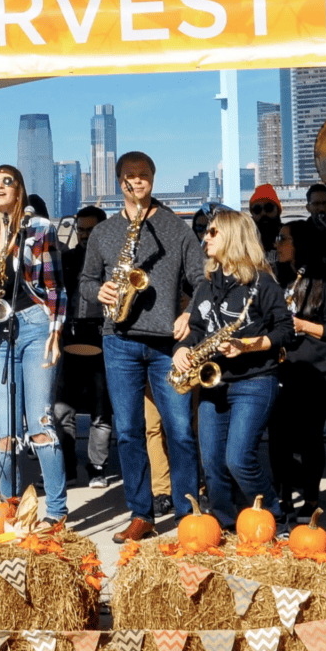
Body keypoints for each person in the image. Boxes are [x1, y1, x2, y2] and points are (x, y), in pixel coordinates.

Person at [80, 151, 205, 543]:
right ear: (120, 182)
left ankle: (188, 515)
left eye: (144, 175)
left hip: (168, 345)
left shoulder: (175, 228)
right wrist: (97, 290)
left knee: (181, 430)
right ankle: (141, 513)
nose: (137, 182)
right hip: (118, 341)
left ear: (153, 178)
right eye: (130, 177)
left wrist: (192, 317)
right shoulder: (103, 233)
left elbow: (203, 280)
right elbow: (84, 282)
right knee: (130, 431)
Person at [174, 210, 294, 529]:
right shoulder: (208, 283)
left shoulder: (261, 282)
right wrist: (182, 350)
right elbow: (197, 328)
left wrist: (247, 345)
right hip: (216, 384)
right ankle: (225, 525)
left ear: (232, 236)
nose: (206, 237)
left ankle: (271, 516)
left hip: (255, 381)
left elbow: (286, 330)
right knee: (212, 462)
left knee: (238, 459)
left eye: (213, 232)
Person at [0, 165, 67, 522]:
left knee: (41, 427)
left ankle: (56, 513)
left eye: (7, 181)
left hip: (37, 325)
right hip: (1, 332)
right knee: (6, 434)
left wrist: (56, 333)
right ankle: (10, 513)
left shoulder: (40, 229)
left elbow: (55, 287)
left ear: (20, 189)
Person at [269, 219, 326, 520]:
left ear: (300, 245)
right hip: (281, 368)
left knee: (308, 439)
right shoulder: (275, 279)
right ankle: (284, 498)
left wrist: (304, 325)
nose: (278, 243)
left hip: (317, 371)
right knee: (278, 438)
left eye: (284, 238)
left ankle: (312, 500)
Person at [56, 206, 115, 489]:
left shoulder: (112, 263)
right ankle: (67, 468)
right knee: (61, 407)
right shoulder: (67, 258)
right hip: (69, 333)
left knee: (101, 407)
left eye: (91, 230)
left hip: (101, 334)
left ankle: (97, 467)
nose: (84, 235)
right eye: (81, 229)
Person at [248, 184, 283, 267]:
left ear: (278, 210)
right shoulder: (246, 241)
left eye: (268, 208)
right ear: (252, 214)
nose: (263, 213)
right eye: (257, 210)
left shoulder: (292, 236)